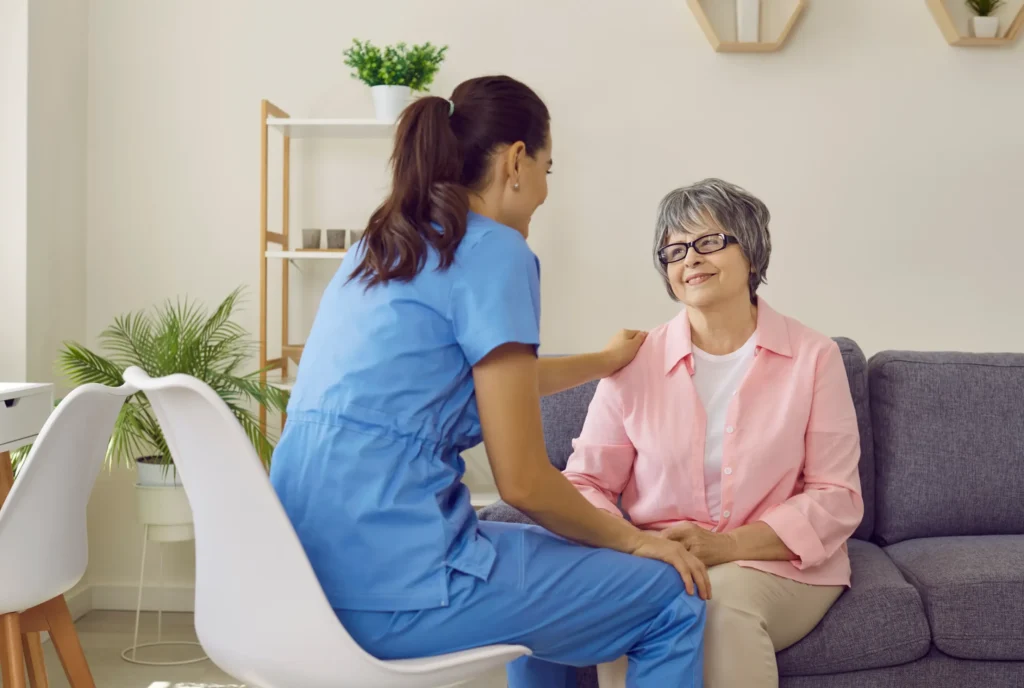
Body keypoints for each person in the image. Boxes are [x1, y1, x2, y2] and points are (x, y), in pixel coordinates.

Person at [268, 75, 709, 688]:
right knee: (672, 596)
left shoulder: (379, 250)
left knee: (555, 570)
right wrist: (634, 541)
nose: (545, 193)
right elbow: (525, 482)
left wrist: (602, 363)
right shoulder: (495, 252)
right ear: (517, 161)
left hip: (298, 581)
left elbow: (478, 383)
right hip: (396, 589)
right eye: (549, 170)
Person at [560, 178, 864, 688]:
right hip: (659, 559)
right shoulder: (633, 362)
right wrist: (632, 544)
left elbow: (836, 496)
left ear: (752, 252)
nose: (690, 260)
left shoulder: (815, 357)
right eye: (674, 250)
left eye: (709, 242)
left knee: (718, 611)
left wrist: (728, 546)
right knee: (633, 612)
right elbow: (584, 481)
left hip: (777, 563)